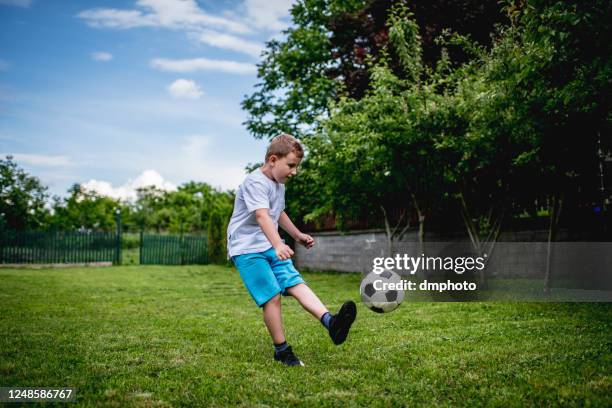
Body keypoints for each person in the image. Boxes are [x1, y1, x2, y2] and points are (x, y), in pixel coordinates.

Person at [227, 133, 357, 366]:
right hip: (247, 248)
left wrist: (296, 235)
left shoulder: (278, 185)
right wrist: (278, 243)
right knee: (272, 295)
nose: (294, 171)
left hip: (269, 243)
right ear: (273, 159)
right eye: (291, 165)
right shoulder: (255, 182)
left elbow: (278, 213)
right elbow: (261, 215)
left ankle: (331, 323)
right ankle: (282, 351)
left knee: (295, 282)